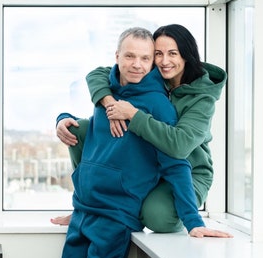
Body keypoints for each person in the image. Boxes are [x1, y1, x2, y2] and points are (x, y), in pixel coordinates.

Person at [54, 24, 233, 238]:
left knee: (157, 216)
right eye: (158, 54)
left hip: (188, 170)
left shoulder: (202, 99)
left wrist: (133, 114)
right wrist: (106, 104)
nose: (165, 61)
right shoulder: (151, 76)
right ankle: (87, 207)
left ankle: (116, 211)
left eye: (173, 54)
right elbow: (98, 74)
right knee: (79, 129)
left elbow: (180, 145)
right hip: (150, 165)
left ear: (186, 55)